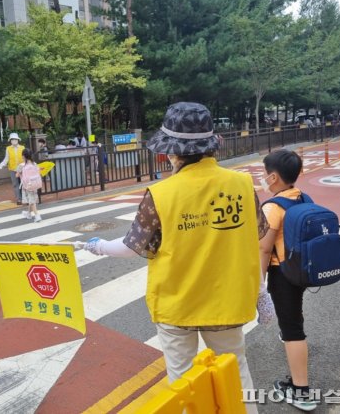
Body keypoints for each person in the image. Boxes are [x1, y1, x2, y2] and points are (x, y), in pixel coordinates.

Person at [84, 102, 273, 414]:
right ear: (211, 147)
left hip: (177, 305)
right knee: (236, 371)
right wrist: (261, 291)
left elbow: (133, 246)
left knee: (183, 381)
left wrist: (100, 246)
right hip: (227, 302)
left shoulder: (160, 194)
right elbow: (255, 238)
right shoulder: (241, 185)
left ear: (171, 152)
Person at [258, 149, 317, 412]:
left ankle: (302, 391)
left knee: (292, 330)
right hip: (300, 269)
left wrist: (258, 285)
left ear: (272, 177)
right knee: (292, 324)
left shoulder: (272, 207)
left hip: (282, 274)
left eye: (263, 173)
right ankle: (296, 381)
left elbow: (263, 249)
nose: (261, 177)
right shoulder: (301, 196)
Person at [0, 133, 25, 205]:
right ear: (10, 140)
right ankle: (19, 199)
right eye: (12, 139)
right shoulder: (8, 148)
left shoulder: (22, 148)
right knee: (15, 184)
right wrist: (1, 165)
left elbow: (25, 158)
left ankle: (25, 198)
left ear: (18, 140)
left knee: (24, 184)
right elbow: (6, 159)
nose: (14, 141)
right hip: (13, 169)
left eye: (15, 139)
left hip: (22, 169)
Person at [16, 148, 42, 222]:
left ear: (23, 156)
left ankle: (37, 216)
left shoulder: (21, 165)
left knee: (32, 201)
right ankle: (28, 214)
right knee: (32, 199)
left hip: (27, 185)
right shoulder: (35, 164)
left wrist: (20, 173)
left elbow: (17, 175)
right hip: (35, 184)